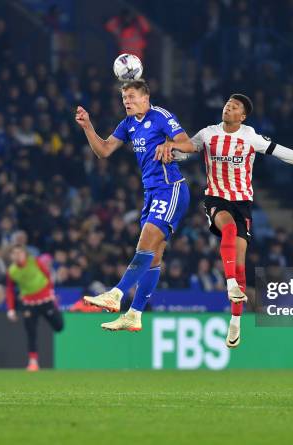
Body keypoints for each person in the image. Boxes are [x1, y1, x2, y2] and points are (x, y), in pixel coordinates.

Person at [156, 93, 293, 348]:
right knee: (229, 230)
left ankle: (235, 323)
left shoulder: (250, 137)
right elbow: (186, 151)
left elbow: (287, 154)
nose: (228, 108)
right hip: (216, 198)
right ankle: (231, 284)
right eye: (227, 104)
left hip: (242, 203)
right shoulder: (208, 133)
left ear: (242, 116)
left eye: (234, 107)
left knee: (241, 263)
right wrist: (172, 152)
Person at [76, 79, 194, 331]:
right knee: (153, 257)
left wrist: (170, 144)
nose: (126, 102)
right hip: (151, 193)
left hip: (171, 188)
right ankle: (135, 314)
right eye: (124, 99)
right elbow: (104, 151)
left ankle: (116, 293)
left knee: (146, 240)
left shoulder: (160, 116)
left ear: (145, 97)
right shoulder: (128, 124)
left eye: (131, 97)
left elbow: (190, 144)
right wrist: (88, 127)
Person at [6, 245, 64, 371]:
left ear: (24, 254)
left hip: (45, 299)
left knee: (59, 326)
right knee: (31, 332)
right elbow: (9, 290)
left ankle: (55, 311)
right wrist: (11, 309)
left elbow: (47, 275)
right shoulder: (12, 271)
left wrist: (51, 292)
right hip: (28, 303)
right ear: (11, 256)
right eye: (14, 254)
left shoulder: (34, 261)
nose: (17, 256)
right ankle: (33, 362)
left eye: (20, 253)